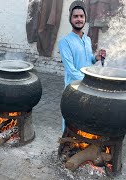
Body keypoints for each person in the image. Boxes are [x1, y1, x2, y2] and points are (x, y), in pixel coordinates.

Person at [58, 1, 106, 131]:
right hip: (73, 88)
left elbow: (87, 61)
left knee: (83, 118)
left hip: (87, 87)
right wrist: (90, 82)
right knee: (70, 118)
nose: (79, 19)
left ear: (85, 19)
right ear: (70, 19)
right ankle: (65, 146)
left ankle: (80, 145)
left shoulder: (87, 39)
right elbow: (71, 69)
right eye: (75, 16)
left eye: (81, 16)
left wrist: (96, 58)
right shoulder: (65, 42)